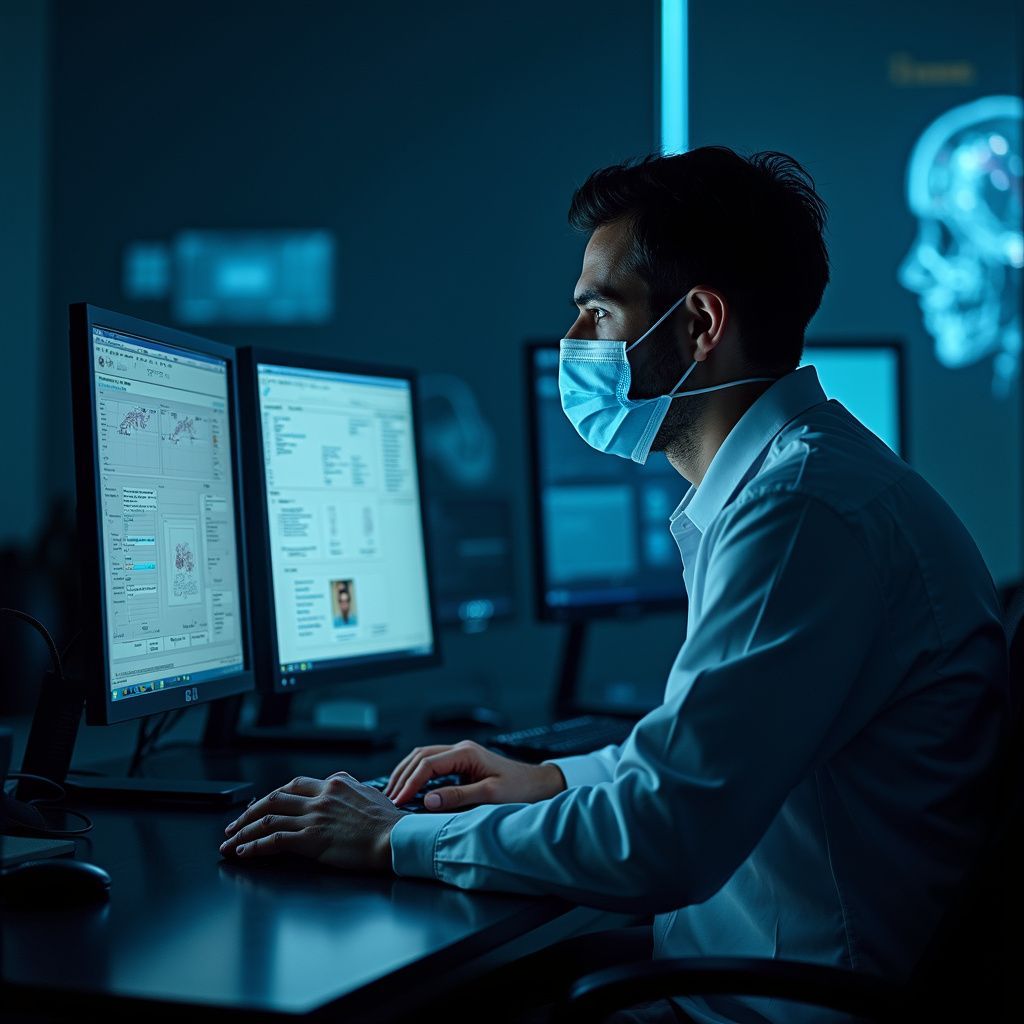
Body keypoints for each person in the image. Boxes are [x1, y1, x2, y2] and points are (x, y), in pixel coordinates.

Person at [220, 147, 1009, 1024]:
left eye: (598, 312)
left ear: (700, 323)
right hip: (744, 971)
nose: (574, 346)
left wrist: (390, 836)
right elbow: (698, 761)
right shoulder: (798, 484)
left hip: (780, 1005)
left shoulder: (800, 512)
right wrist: (547, 779)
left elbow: (669, 835)